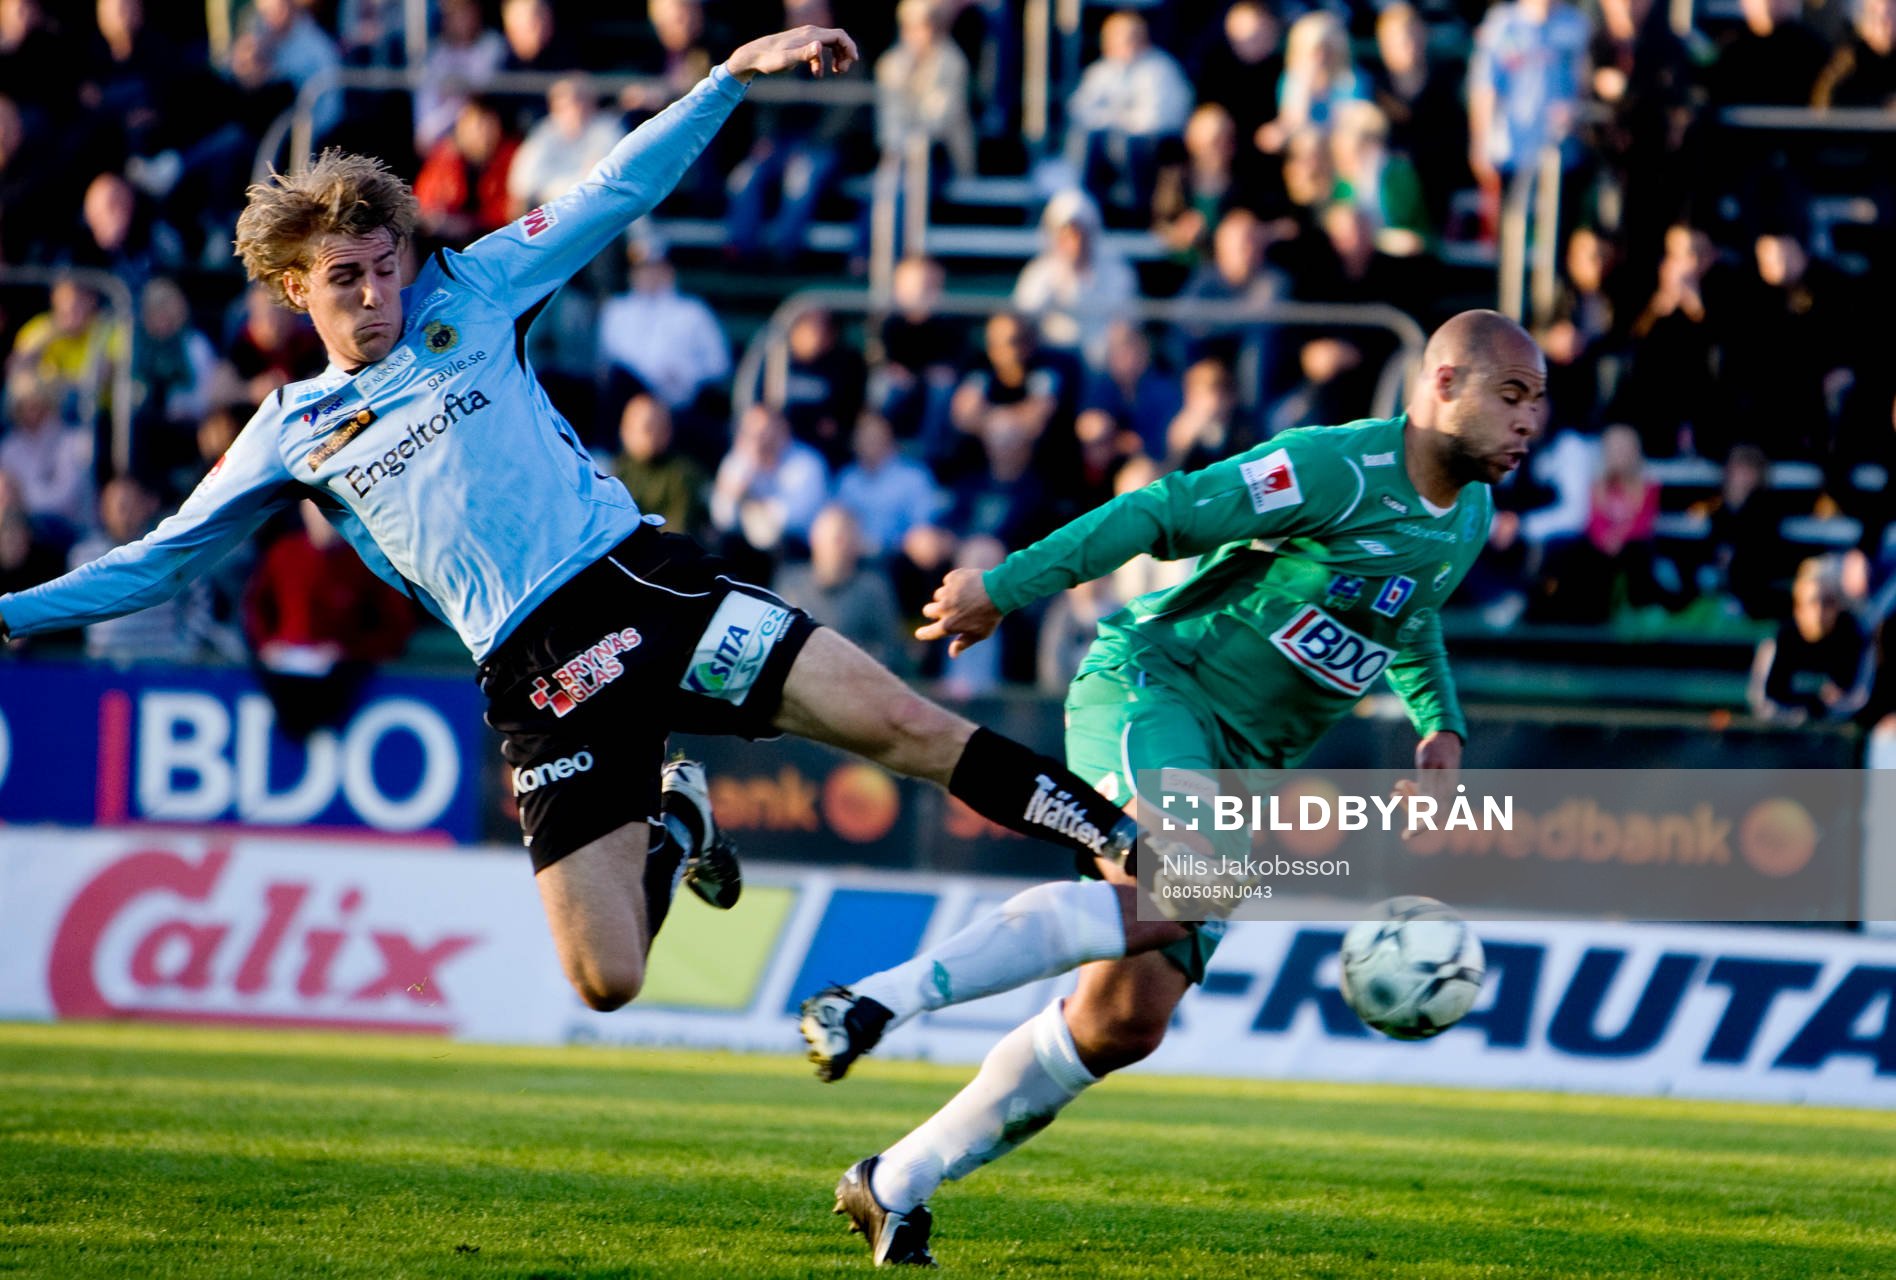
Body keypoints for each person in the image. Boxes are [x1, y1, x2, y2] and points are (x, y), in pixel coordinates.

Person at [0, 26, 1154, 1028]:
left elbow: (611, 188)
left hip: (641, 585)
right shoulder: (289, 433)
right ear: (295, 290)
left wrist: (731, 78)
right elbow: (157, 560)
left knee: (903, 723)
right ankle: (673, 820)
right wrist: (12, 615)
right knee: (608, 978)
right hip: (535, 669)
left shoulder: (473, 290)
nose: (371, 293)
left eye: (382, 266)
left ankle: (1119, 838)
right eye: (341, 278)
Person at [804, 310, 1547, 1266]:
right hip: (1155, 687)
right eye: (1512, 395)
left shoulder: (1470, 513)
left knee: (1124, 1022)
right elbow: (1162, 508)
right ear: (1443, 385)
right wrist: (1008, 586)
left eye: (1538, 402)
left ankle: (894, 1182)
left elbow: (1412, 610)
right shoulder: (1334, 469)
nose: (1530, 421)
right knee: (1179, 885)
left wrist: (1438, 724)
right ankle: (870, 1002)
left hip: (1242, 765)